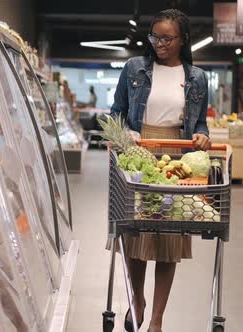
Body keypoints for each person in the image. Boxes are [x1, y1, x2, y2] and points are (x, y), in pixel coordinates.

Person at [109, 9, 211, 332]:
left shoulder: (196, 77)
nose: (159, 43)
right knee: (137, 233)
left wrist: (202, 135)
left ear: (183, 40)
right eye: (154, 36)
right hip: (140, 155)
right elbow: (117, 114)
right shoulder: (134, 69)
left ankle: (156, 319)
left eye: (167, 38)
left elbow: (200, 122)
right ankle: (137, 299)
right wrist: (126, 134)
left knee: (169, 240)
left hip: (176, 159)